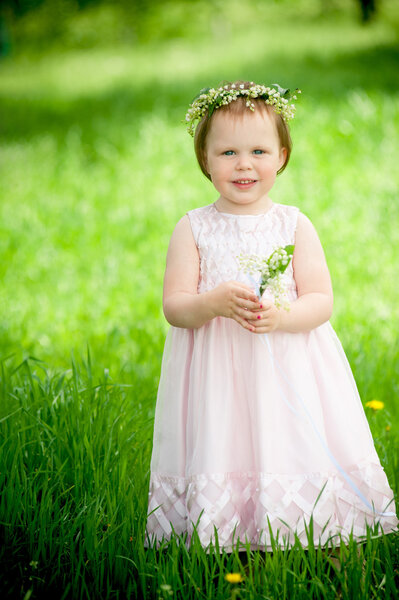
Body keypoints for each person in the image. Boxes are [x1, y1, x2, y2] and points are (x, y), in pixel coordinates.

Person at [145, 81, 398, 552]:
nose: (244, 164)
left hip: (289, 366)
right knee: (228, 442)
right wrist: (212, 303)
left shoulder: (294, 224)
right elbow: (175, 308)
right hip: (219, 375)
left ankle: (309, 528)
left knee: (290, 441)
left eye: (259, 150)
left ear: (281, 155)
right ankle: (230, 530)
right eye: (227, 153)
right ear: (205, 159)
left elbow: (321, 299)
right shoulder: (193, 228)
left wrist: (282, 316)